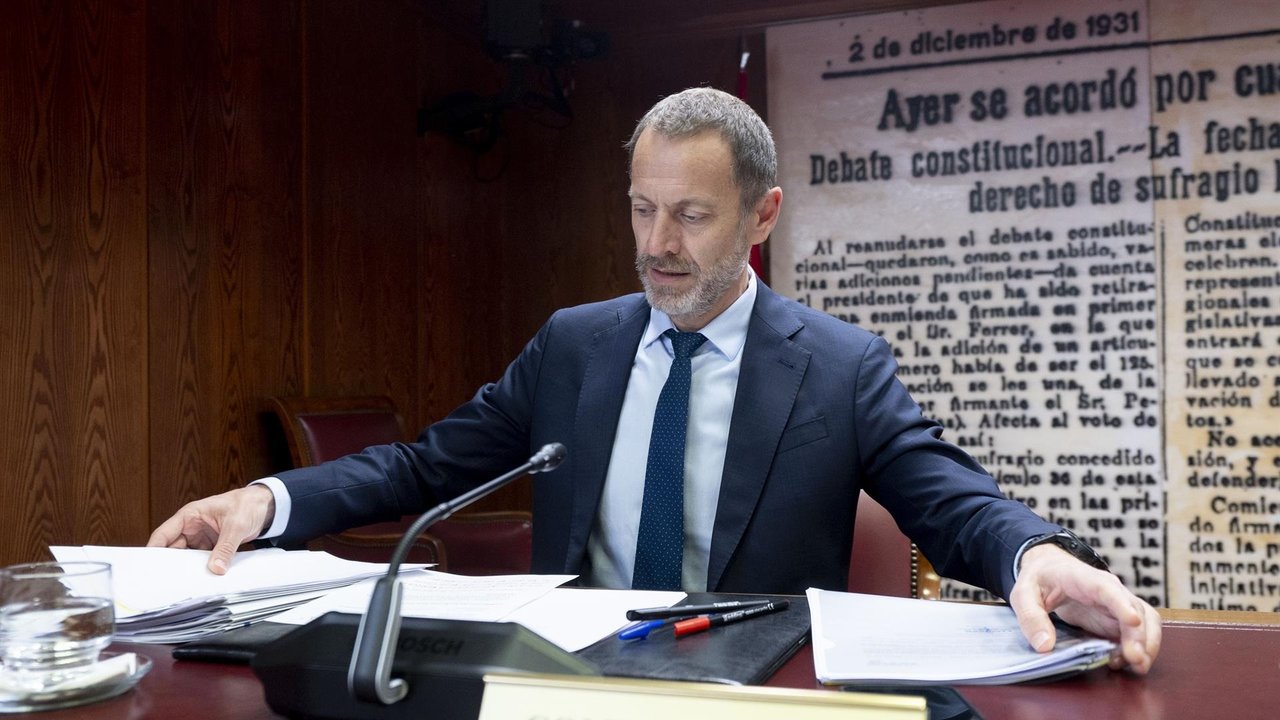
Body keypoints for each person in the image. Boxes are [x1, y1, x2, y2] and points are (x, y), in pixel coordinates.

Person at [149, 87, 1160, 673]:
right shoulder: (573, 345)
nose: (655, 245)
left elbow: (946, 500)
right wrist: (267, 498)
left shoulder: (840, 368)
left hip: (746, 692)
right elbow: (422, 469)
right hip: (564, 683)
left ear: (762, 216)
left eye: (691, 215)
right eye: (641, 209)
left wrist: (1029, 552)